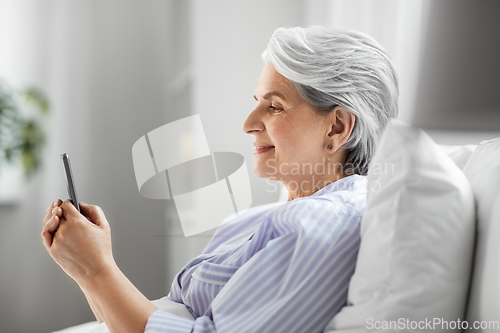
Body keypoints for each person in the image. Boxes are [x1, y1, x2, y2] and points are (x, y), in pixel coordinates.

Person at [42, 26, 398, 333]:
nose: (248, 123)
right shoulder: (265, 218)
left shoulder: (324, 225)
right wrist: (84, 265)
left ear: (337, 127)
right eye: (257, 101)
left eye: (274, 106)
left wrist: (96, 269)